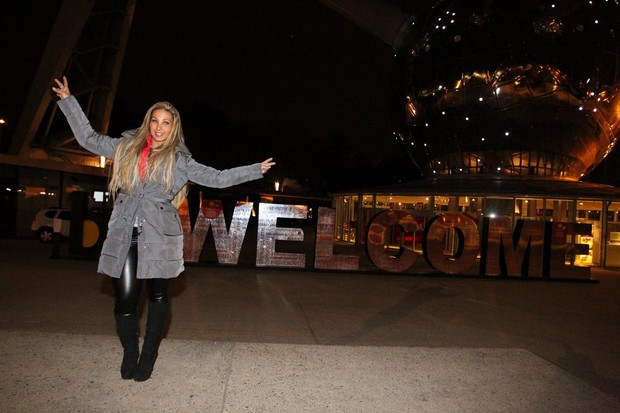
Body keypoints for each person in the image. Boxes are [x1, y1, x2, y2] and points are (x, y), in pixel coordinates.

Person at [52, 76, 275, 382]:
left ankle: (149, 353)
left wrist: (254, 169)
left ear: (174, 128)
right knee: (126, 299)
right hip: (124, 233)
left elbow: (219, 177)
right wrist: (68, 100)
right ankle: (131, 350)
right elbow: (88, 139)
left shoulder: (180, 160)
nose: (158, 127)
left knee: (158, 295)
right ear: (148, 122)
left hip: (160, 234)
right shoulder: (125, 147)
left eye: (166, 122)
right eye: (154, 120)